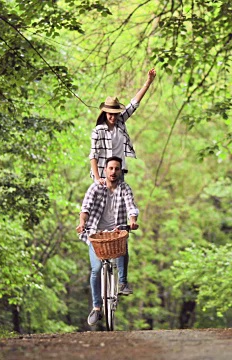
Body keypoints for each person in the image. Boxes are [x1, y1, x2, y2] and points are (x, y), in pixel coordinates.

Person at [76, 156, 140, 326]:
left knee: (122, 244)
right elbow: (86, 208)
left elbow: (131, 206)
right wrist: (82, 223)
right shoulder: (96, 188)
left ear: (121, 171)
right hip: (95, 234)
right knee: (96, 269)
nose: (113, 172)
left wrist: (132, 220)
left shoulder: (125, 188)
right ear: (105, 170)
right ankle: (97, 307)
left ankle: (123, 282)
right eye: (110, 168)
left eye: (117, 169)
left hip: (116, 231)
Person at [89, 68, 157, 185]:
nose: (113, 117)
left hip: (118, 173)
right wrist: (97, 178)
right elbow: (93, 155)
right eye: (110, 114)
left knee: (120, 202)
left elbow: (134, 104)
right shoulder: (98, 131)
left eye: (115, 114)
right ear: (105, 113)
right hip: (103, 175)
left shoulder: (120, 122)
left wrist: (148, 82)